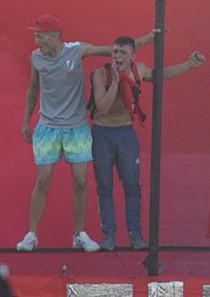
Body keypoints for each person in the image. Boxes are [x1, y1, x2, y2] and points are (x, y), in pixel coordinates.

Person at [16, 15, 156, 252]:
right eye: (36, 35)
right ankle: (31, 236)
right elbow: (32, 90)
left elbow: (114, 50)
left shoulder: (76, 50)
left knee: (81, 181)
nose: (36, 39)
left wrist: (147, 39)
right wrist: (26, 121)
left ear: (54, 36)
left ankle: (79, 235)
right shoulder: (36, 57)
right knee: (43, 179)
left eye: (40, 35)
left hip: (76, 127)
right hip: (47, 127)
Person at [90, 39, 206, 251]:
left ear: (133, 56)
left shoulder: (138, 70)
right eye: (115, 51)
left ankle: (135, 234)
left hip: (126, 133)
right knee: (104, 186)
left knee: (132, 185)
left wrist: (188, 65)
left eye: (123, 52)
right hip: (102, 132)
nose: (117, 56)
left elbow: (160, 74)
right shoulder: (100, 74)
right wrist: (115, 82)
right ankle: (109, 234)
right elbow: (103, 108)